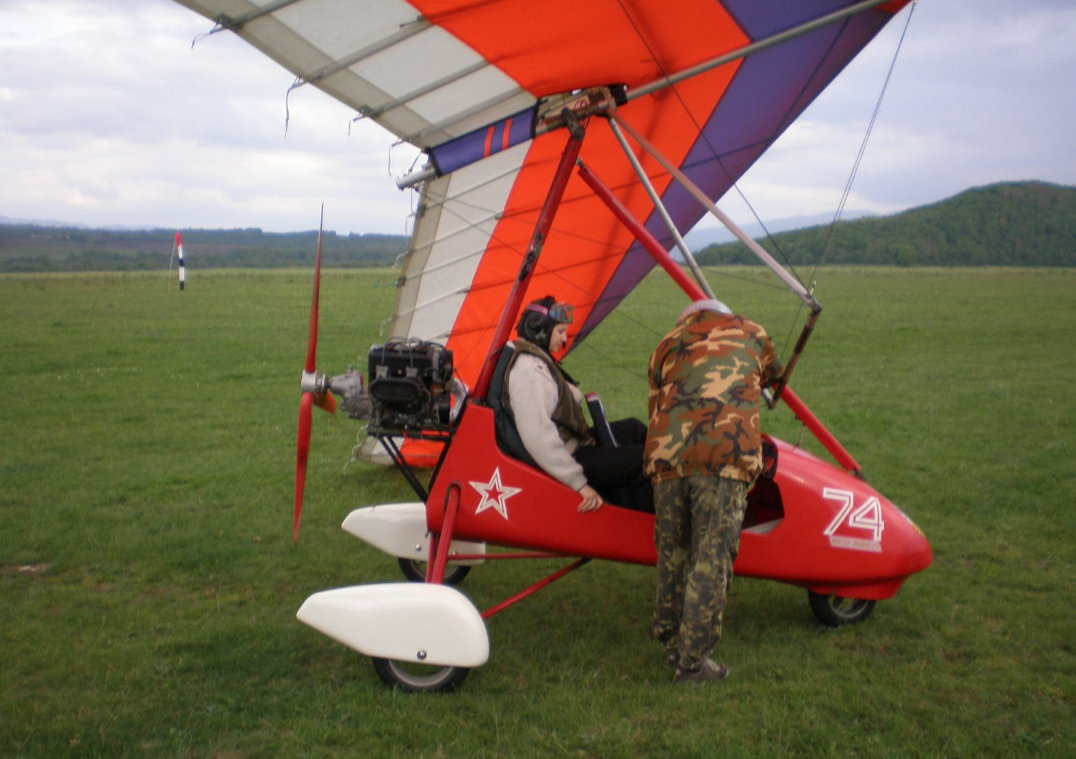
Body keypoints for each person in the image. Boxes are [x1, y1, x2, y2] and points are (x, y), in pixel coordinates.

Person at [645, 298, 783, 683]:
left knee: (673, 554)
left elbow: (656, 396)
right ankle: (693, 664)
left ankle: (672, 644)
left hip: (666, 461)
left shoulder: (667, 342)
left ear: (687, 319)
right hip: (723, 460)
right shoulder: (753, 332)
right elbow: (773, 376)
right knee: (711, 556)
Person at [500, 296, 653, 514]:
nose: (564, 339)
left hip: (575, 446)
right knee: (646, 460)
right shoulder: (529, 372)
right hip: (571, 457)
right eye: (560, 331)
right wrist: (578, 483)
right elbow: (538, 437)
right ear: (539, 329)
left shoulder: (537, 359)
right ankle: (652, 526)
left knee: (633, 429)